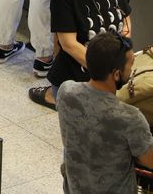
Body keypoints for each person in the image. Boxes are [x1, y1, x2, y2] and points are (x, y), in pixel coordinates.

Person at [56, 31, 153, 193]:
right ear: (116, 74)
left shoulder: (66, 91)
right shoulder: (130, 117)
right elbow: (150, 160)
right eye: (131, 64)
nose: (132, 69)